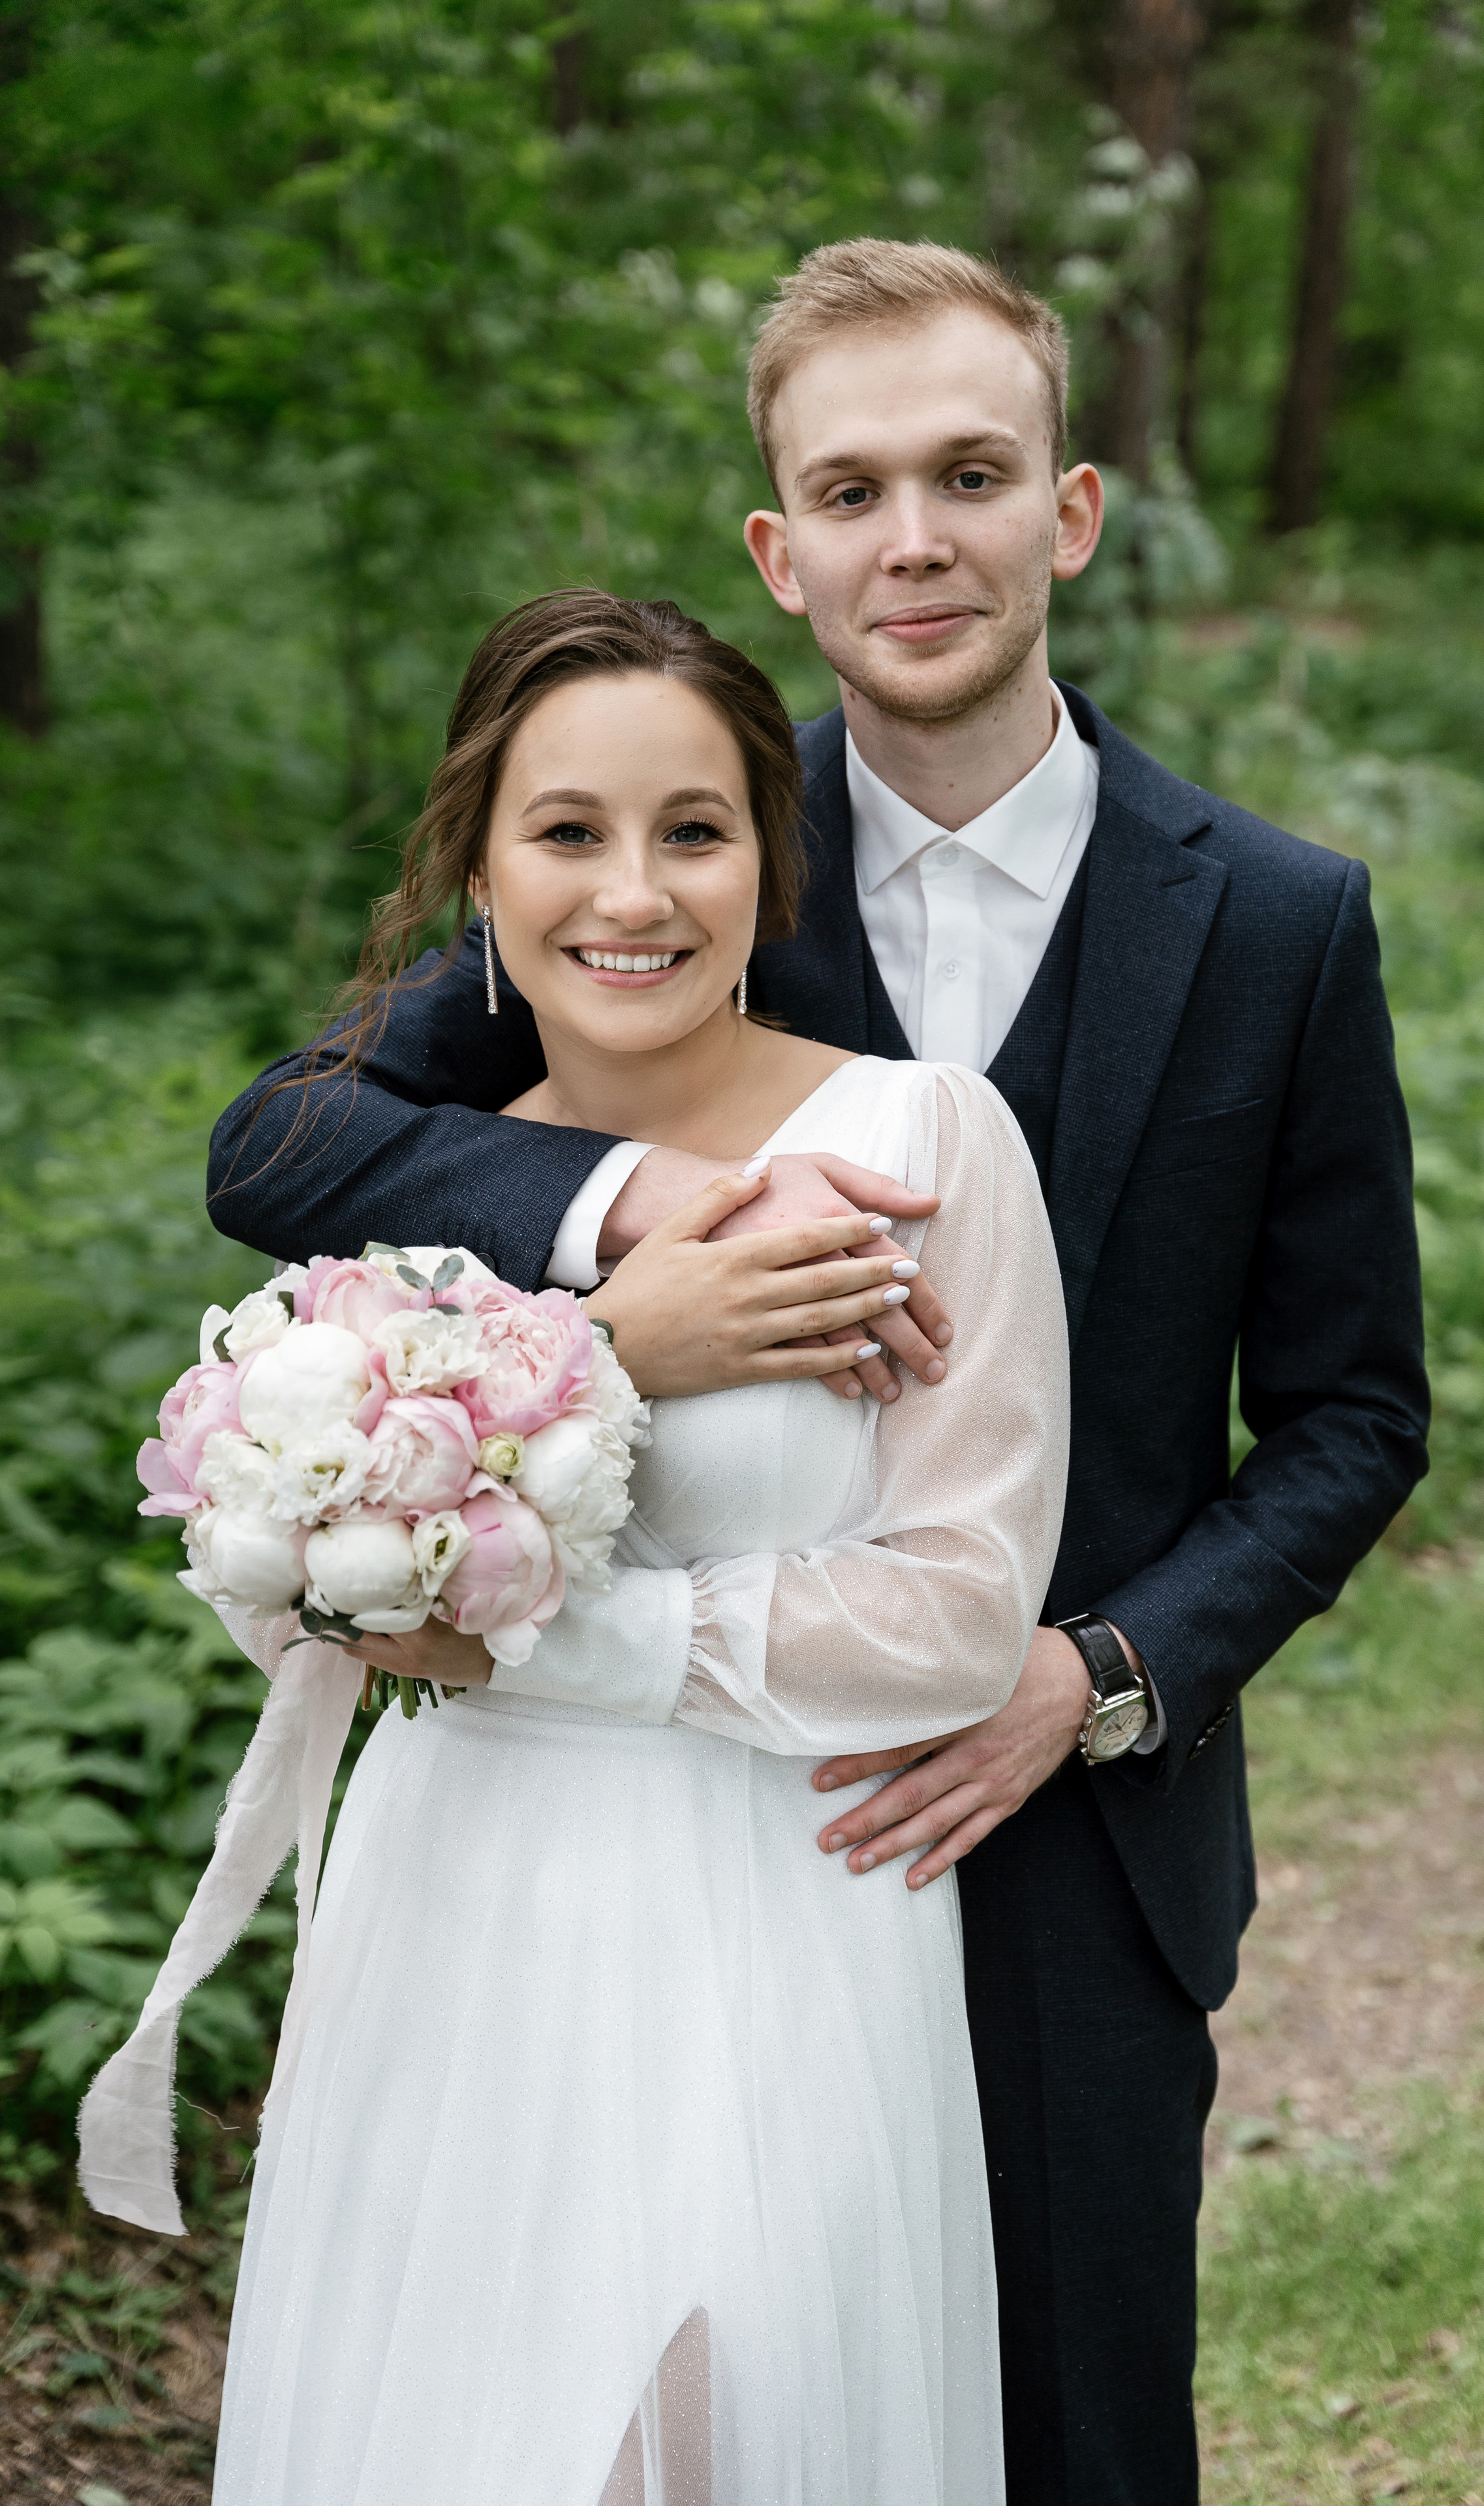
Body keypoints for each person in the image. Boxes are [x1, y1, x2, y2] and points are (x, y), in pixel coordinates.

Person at [210, 241, 1430, 2500]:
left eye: (971, 474)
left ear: (1069, 508)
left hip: (1071, 1820)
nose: (916, 539)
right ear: (780, 549)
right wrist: (611, 1244)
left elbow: (1357, 1411)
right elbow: (284, 1134)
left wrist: (1104, 1671)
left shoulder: (1276, 919)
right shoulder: (673, 850)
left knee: (1067, 2433)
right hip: (692, 1841)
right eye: (852, 490)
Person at [201, 591, 1070, 2504]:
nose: (637, 891)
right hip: (455, 1919)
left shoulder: (916, 1146)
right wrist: (613, 1348)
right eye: (570, 833)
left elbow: (952, 1617)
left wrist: (534, 1640)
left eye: (696, 831)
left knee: (692, 2442)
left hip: (769, 1916)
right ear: (483, 875)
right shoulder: (422, 1171)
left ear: (775, 862)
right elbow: (321, 1513)